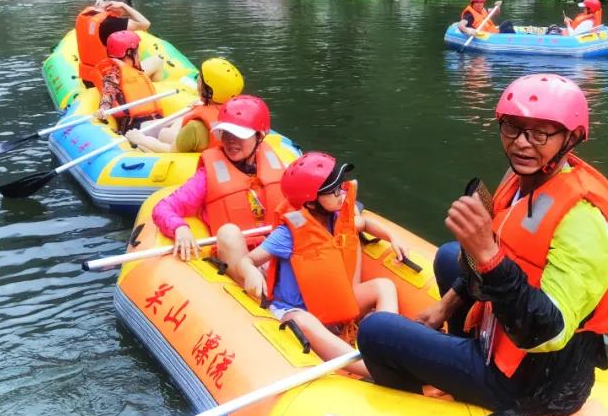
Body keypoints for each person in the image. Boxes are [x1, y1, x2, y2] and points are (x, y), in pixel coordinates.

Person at [357, 74, 608, 416]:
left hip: (536, 383)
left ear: (572, 137)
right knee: (448, 257)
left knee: (375, 332)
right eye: (512, 128)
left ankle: (431, 405)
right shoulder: (521, 179)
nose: (521, 144)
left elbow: (546, 333)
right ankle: (463, 356)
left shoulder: (583, 222)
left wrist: (488, 254)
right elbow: (504, 255)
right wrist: (446, 305)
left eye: (539, 133)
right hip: (505, 335)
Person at [232, 153, 406, 377]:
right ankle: (373, 369)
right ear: (312, 202)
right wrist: (250, 273)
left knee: (384, 285)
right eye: (334, 190)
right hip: (296, 310)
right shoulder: (289, 233)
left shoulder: (336, 219)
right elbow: (248, 260)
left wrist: (393, 236)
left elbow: (365, 224)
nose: (341, 192)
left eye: (340, 186)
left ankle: (385, 347)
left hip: (332, 301)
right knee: (302, 320)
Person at [151, 95, 287, 293]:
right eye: (226, 134)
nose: (231, 141)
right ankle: (262, 297)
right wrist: (179, 228)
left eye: (240, 135)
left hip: (271, 252)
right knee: (229, 233)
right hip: (237, 258)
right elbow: (163, 208)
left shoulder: (275, 166)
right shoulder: (207, 176)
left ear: (260, 135)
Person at [126, 58, 244, 153]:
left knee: (162, 135)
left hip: (190, 154)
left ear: (208, 91)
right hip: (209, 148)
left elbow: (170, 150)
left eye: (200, 79)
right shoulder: (240, 114)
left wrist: (141, 139)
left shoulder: (195, 127)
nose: (198, 80)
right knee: (165, 133)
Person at [75, 0, 166, 86]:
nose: (122, 14)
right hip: (108, 81)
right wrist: (124, 6)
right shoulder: (112, 23)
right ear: (116, 6)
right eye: (123, 11)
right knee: (158, 61)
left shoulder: (86, 15)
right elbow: (145, 24)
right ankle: (154, 91)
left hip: (89, 78)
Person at [96, 31, 173, 134]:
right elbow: (108, 95)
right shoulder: (113, 76)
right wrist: (103, 109)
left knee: (178, 123)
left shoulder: (135, 69)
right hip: (134, 124)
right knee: (169, 129)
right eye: (137, 50)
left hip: (153, 118)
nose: (139, 53)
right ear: (129, 53)